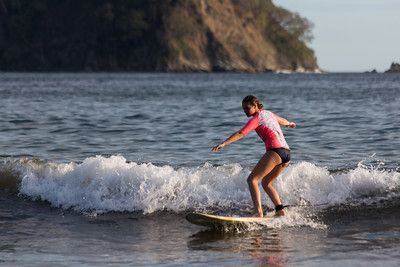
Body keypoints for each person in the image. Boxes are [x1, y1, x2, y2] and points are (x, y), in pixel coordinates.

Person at [211, 95, 296, 217]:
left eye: (247, 108)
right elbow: (282, 120)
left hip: (275, 151)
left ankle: (258, 212)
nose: (245, 111)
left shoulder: (256, 119)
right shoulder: (268, 113)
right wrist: (290, 124)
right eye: (243, 109)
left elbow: (241, 133)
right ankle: (280, 210)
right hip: (287, 153)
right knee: (266, 184)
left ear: (255, 106)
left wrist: (224, 143)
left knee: (252, 180)